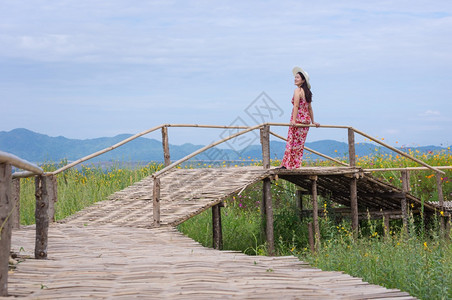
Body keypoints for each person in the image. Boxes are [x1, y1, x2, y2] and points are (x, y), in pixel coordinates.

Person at [278, 66, 320, 169]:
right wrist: (313, 121)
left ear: (303, 80)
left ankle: (287, 164)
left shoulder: (298, 91)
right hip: (306, 121)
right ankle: (295, 164)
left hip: (297, 120)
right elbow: (309, 108)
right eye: (295, 77)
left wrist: (293, 120)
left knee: (291, 141)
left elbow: (296, 105)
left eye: (297, 77)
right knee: (299, 145)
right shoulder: (308, 92)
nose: (295, 79)